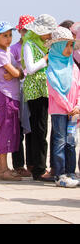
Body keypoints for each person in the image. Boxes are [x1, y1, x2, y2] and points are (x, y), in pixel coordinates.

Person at [21, 14, 58, 182]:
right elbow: (30, 68)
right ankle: (39, 169)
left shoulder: (45, 44)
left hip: (46, 89)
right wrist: (45, 59)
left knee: (42, 128)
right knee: (39, 130)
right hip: (35, 90)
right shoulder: (29, 44)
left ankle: (40, 166)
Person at [46, 26, 80, 188]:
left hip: (74, 112)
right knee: (60, 141)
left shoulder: (73, 67)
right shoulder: (52, 68)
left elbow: (79, 88)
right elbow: (56, 92)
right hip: (60, 111)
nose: (68, 49)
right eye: (65, 45)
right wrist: (68, 108)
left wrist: (77, 106)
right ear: (58, 47)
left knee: (71, 141)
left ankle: (71, 172)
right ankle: (60, 174)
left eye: (70, 45)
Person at [0, 21, 24, 181]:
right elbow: (18, 72)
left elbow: (21, 71)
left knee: (11, 131)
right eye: (5, 35)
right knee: (6, 131)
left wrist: (16, 72)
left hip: (13, 96)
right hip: (5, 96)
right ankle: (3, 169)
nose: (9, 38)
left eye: (10, 35)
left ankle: (2, 166)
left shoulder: (9, 52)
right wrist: (16, 73)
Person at [10, 15, 35, 178]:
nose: (26, 32)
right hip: (17, 92)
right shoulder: (13, 49)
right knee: (17, 130)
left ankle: (33, 163)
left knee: (32, 129)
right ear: (19, 30)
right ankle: (18, 165)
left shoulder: (35, 46)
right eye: (23, 30)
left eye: (29, 30)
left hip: (32, 92)